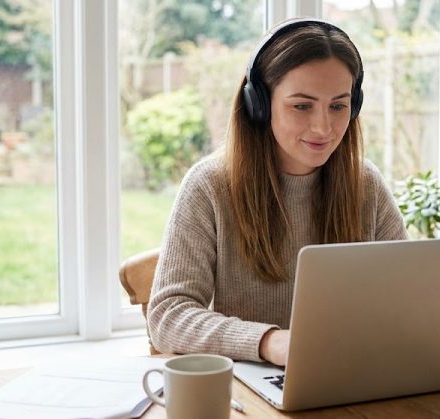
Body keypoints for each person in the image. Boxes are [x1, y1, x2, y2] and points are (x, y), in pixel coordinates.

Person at [147, 18, 408, 366]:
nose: (324, 127)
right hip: (254, 389)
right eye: (302, 105)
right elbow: (168, 316)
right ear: (260, 105)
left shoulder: (366, 184)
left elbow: (408, 297)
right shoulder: (209, 185)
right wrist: (269, 343)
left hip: (348, 375)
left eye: (338, 105)